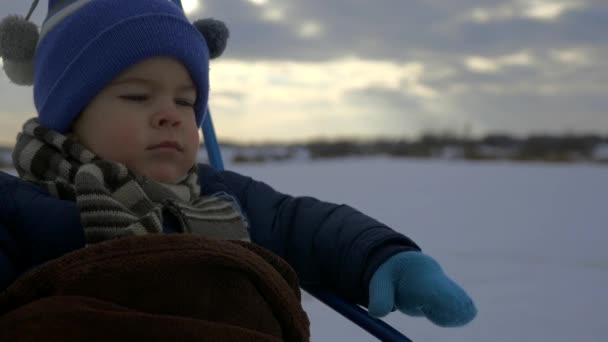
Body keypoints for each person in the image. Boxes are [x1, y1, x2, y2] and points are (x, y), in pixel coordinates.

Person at [0, 0, 476, 330]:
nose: (169, 114)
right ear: (68, 119)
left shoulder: (218, 196)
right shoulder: (22, 208)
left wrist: (385, 257)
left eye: (186, 102)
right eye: (137, 96)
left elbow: (303, 224)